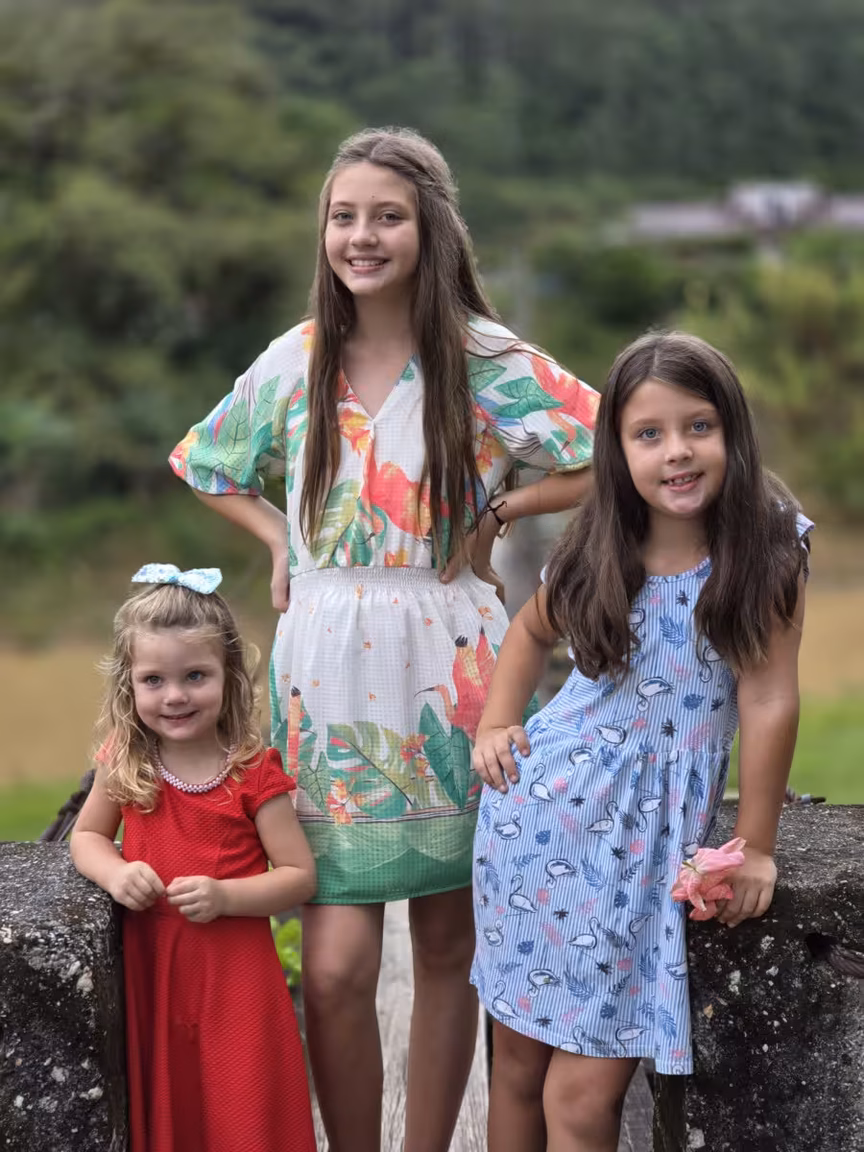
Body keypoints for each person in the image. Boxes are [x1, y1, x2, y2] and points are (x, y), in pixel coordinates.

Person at [168, 126, 597, 1152]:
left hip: (454, 665)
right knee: (334, 966)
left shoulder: (484, 358)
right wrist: (281, 539)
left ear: (431, 227)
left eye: (387, 216)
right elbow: (205, 461)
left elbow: (605, 450)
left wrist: (502, 512)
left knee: (449, 948)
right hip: (323, 678)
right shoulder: (298, 358)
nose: (361, 236)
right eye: (343, 216)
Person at [470, 331, 812, 1152]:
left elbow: (769, 696)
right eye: (648, 434)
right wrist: (496, 721)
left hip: (645, 851)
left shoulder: (768, 550)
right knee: (516, 1069)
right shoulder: (599, 548)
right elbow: (528, 631)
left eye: (699, 426)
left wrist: (755, 847)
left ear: (732, 431)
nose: (677, 452)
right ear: (617, 452)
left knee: (582, 1097)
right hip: (537, 825)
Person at [70, 564, 317, 1152]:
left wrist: (226, 895)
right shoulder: (126, 762)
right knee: (173, 1099)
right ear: (129, 685)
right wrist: (116, 872)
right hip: (154, 968)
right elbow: (87, 838)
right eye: (153, 680)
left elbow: (298, 876)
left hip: (235, 976)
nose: (175, 695)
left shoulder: (251, 771)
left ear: (230, 675)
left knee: (239, 1102)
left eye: (196, 676)